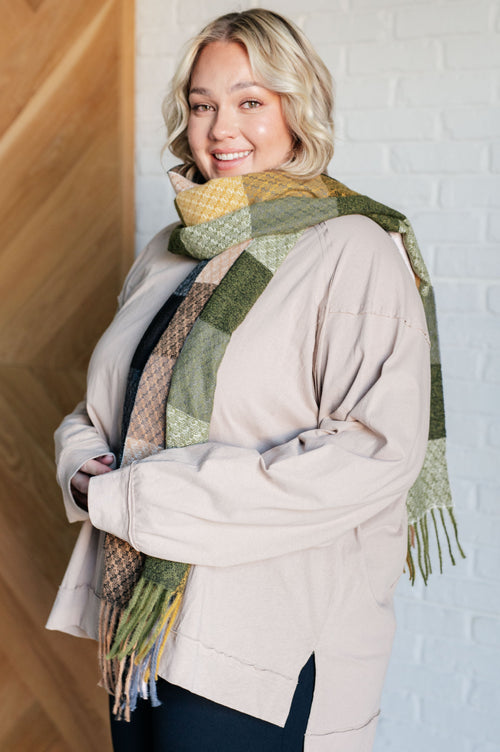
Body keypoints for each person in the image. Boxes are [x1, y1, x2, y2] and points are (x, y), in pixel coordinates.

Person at [46, 9, 456, 752]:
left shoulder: (352, 247)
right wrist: (81, 469)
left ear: (298, 109)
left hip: (261, 639)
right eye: (202, 104)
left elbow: (371, 455)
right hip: (139, 623)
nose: (221, 128)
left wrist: (140, 498)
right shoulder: (168, 250)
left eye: (250, 101)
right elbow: (104, 405)